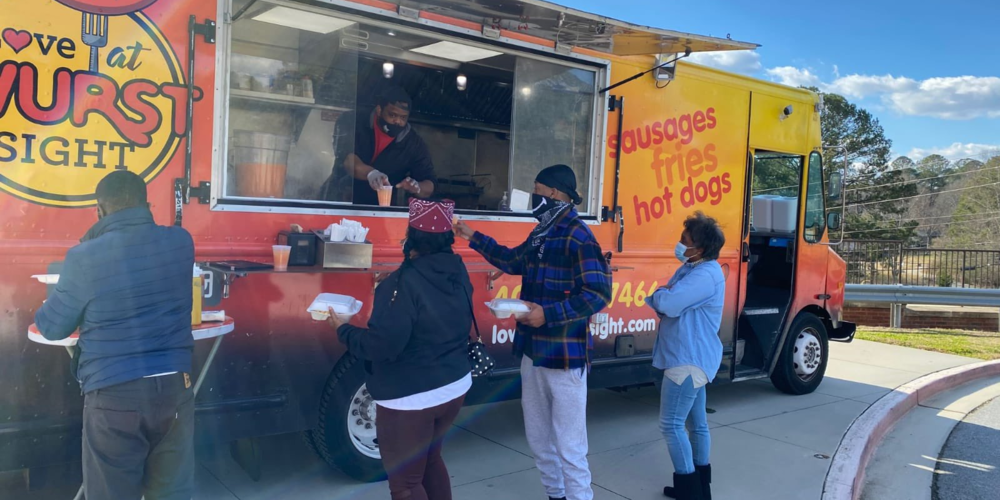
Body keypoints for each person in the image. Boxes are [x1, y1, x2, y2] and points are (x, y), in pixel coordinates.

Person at [34, 171, 196, 500]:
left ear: (99, 210)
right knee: (172, 493)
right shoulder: (182, 242)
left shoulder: (84, 258)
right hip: (175, 390)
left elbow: (52, 327)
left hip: (114, 395)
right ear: (147, 204)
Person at [454, 164, 612, 500]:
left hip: (565, 357)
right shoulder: (543, 232)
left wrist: (549, 315)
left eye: (537, 189)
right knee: (539, 440)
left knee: (570, 446)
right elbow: (513, 261)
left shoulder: (578, 235)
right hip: (532, 352)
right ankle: (555, 495)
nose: (534, 197)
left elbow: (598, 294)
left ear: (554, 193)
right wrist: (470, 235)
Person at [329, 198, 472, 500]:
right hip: (455, 385)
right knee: (431, 460)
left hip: (411, 397)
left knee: (405, 484)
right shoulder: (458, 270)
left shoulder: (400, 284)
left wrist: (342, 328)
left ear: (410, 238)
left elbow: (381, 346)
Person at [646, 212, 726, 500]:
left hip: (687, 361)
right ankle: (698, 488)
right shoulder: (693, 268)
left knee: (671, 424)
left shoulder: (704, 274)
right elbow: (669, 302)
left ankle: (690, 489)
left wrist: (660, 295)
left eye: (685, 240)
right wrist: (664, 298)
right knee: (696, 424)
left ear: (700, 248)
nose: (679, 244)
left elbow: (669, 302)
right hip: (692, 358)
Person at [319, 85, 436, 205]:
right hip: (340, 198)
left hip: (381, 207)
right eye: (392, 115)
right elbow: (348, 160)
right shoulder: (353, 120)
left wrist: (417, 187)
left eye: (403, 117)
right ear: (379, 110)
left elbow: (430, 184)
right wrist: (372, 174)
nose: (397, 121)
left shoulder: (413, 143)